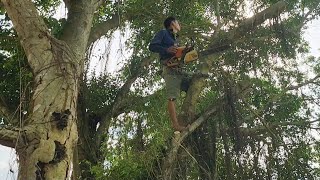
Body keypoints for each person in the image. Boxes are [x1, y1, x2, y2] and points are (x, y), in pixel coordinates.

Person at [149, 16, 190, 132]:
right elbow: (152, 46)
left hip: (180, 70)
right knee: (172, 97)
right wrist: (166, 50)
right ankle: (175, 124)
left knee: (194, 80)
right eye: (178, 22)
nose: (180, 25)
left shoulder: (177, 39)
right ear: (172, 23)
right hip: (170, 71)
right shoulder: (163, 33)